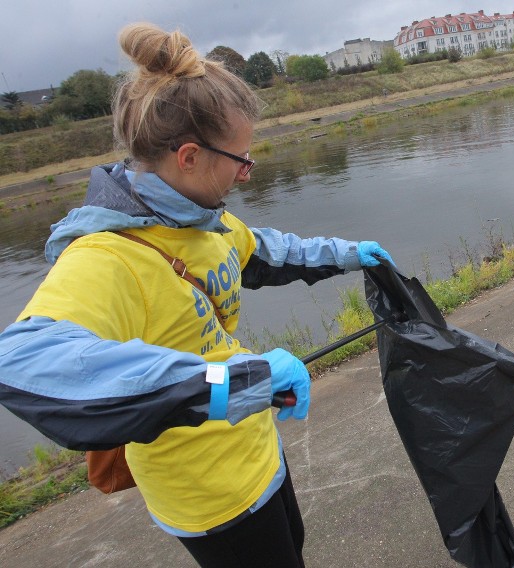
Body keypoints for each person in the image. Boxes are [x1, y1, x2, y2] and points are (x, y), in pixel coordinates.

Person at [0, 22, 393, 568]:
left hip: (259, 453)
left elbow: (262, 252)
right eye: (241, 160)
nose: (247, 175)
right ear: (189, 156)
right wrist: (237, 381)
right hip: (209, 498)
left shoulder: (206, 223)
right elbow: (24, 361)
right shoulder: (107, 257)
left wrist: (351, 253)